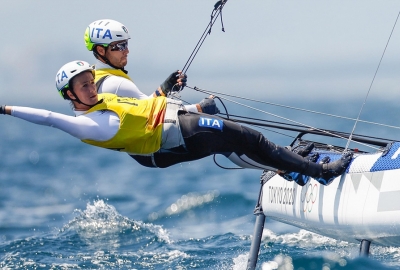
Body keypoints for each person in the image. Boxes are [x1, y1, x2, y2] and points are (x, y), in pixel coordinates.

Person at [0, 60, 353, 185]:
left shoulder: (104, 98)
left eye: (91, 81)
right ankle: (321, 172)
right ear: (70, 96)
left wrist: (167, 87)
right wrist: (5, 109)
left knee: (245, 142)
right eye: (83, 86)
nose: (92, 88)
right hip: (178, 137)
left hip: (179, 121)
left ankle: (297, 169)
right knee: (251, 140)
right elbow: (47, 118)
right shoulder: (88, 125)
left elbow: (145, 104)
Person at [83, 19, 220, 167]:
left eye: (126, 44)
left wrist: (166, 87)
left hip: (147, 151)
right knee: (228, 140)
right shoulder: (114, 83)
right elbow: (151, 115)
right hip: (155, 150)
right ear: (101, 50)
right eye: (120, 46)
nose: (127, 50)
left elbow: (146, 105)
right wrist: (199, 109)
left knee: (225, 140)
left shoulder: (97, 75)